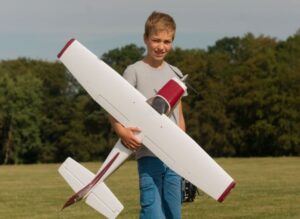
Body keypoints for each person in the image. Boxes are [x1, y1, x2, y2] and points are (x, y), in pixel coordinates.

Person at [109, 11, 186, 219]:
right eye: (156, 40)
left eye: (167, 41)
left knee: (173, 214)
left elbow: (178, 114)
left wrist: (184, 151)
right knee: (152, 213)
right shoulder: (133, 71)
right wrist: (121, 131)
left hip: (173, 157)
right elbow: (113, 107)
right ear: (145, 39)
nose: (161, 46)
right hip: (148, 154)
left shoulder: (175, 73)